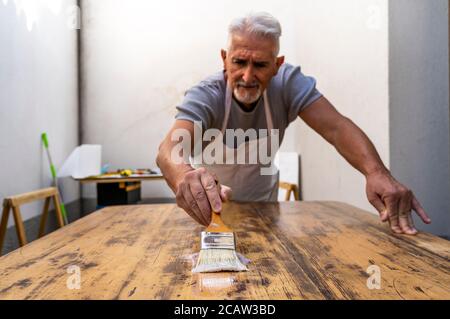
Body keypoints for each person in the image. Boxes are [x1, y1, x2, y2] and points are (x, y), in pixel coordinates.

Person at [156, 12, 431, 234]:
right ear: (224, 59)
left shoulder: (287, 84)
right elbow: (169, 151)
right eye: (239, 62)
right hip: (206, 214)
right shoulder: (207, 94)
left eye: (261, 65)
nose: (248, 76)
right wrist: (183, 176)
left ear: (277, 65)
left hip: (264, 212)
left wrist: (376, 172)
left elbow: (336, 128)